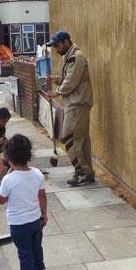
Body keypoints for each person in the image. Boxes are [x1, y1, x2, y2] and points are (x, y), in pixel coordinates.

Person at [0, 134, 48, 270]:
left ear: (9, 159)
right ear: (28, 155)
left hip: (19, 224)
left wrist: (6, 177)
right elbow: (42, 196)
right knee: (36, 247)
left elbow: (1, 200)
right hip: (36, 221)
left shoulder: (9, 179)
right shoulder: (38, 174)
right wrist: (44, 215)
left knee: (24, 251)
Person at [46, 31, 95, 186]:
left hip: (77, 104)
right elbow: (73, 78)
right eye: (54, 46)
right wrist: (58, 80)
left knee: (70, 138)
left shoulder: (75, 57)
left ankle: (81, 171)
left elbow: (71, 81)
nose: (56, 49)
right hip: (77, 103)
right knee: (81, 140)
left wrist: (57, 92)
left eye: (57, 45)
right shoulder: (71, 57)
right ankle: (87, 172)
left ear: (66, 42)